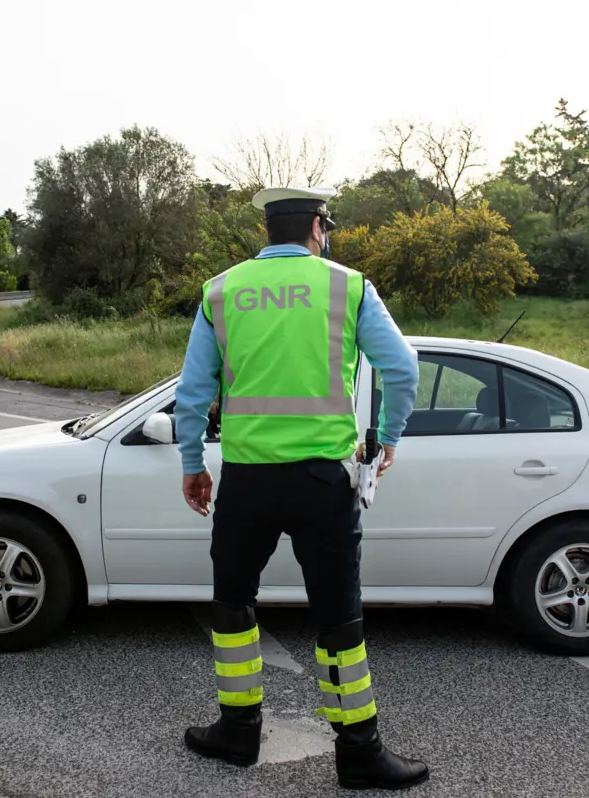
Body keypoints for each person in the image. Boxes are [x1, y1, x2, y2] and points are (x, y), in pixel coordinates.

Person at [173, 186, 428, 790]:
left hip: (248, 480)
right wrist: (386, 437)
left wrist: (192, 463)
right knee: (338, 615)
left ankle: (237, 734)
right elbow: (403, 367)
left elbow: (191, 393)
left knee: (233, 604)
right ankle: (359, 753)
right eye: (327, 226)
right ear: (317, 226)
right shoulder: (349, 286)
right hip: (323, 481)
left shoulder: (222, 291)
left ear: (269, 231)